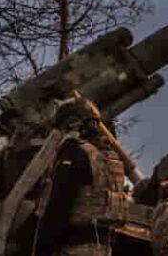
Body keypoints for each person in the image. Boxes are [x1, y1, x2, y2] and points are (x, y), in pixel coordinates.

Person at [35, 98, 128, 256]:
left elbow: (59, 205)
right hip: (103, 248)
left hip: (72, 247)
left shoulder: (75, 151)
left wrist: (42, 248)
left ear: (71, 124)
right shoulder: (112, 158)